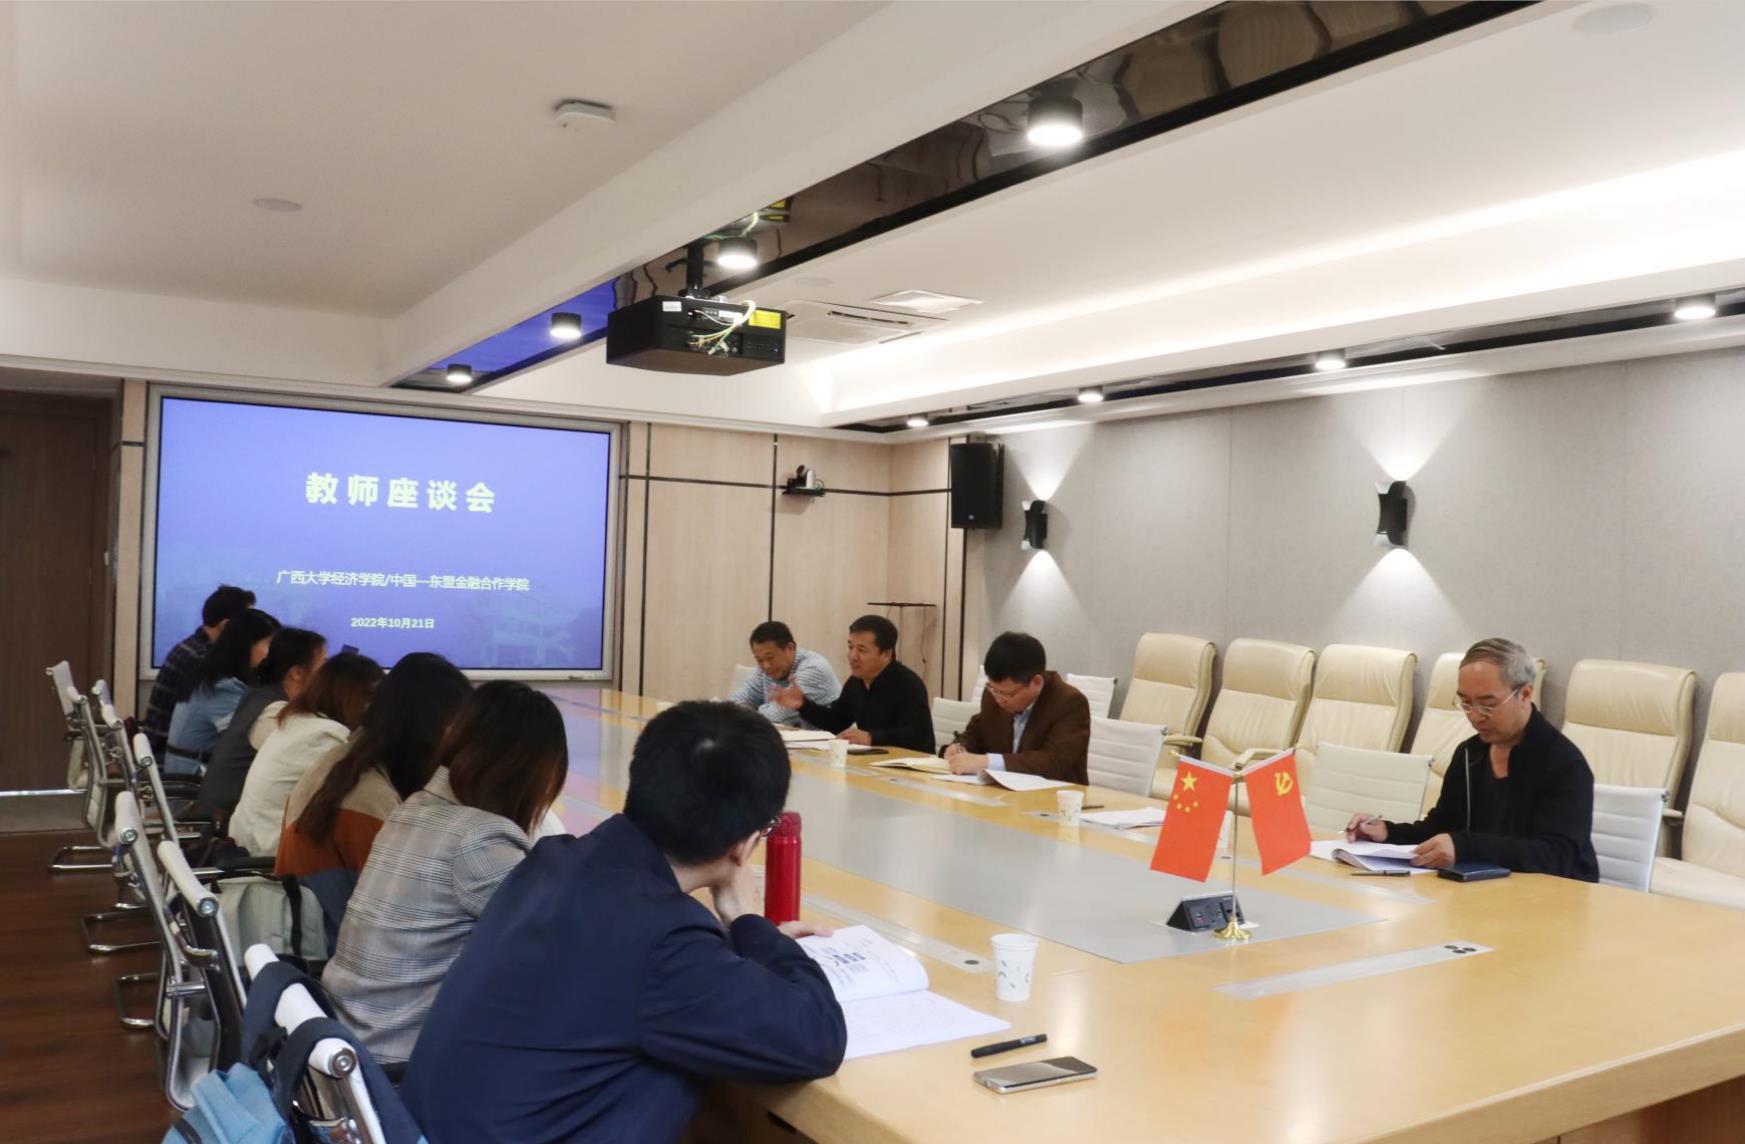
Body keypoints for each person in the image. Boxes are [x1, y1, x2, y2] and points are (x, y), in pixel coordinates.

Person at [402, 702, 846, 1143]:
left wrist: (746, 946)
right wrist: (748, 919)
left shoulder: (553, 861)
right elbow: (815, 1036)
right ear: (745, 845)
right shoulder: (662, 939)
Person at [323, 681, 569, 1065]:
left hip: (350, 1041)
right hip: (399, 1065)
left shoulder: (411, 809)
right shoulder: (479, 837)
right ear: (529, 773)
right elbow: (564, 940)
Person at [1346, 638, 1598, 881]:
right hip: (1483, 889)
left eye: (1488, 705)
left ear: (1525, 694)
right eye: (1466, 703)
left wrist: (1466, 846)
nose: (1475, 717)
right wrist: (1387, 832)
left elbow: (1557, 855)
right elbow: (1441, 827)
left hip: (1551, 897)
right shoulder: (1470, 754)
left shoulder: (1563, 763)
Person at [276, 652, 473, 934]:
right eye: (452, 727)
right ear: (427, 729)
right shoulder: (368, 797)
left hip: (319, 930)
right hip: (337, 941)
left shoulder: (344, 764)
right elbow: (405, 910)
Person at [229, 652, 383, 856]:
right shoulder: (327, 735)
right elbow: (354, 798)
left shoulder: (297, 721)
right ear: (353, 696)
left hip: (248, 843)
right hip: (270, 857)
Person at [196, 627, 326, 823]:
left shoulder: (260, 693)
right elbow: (303, 762)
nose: (327, 674)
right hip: (226, 819)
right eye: (323, 665)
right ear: (297, 672)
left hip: (234, 812)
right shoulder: (272, 712)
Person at [944, 632, 1091, 784]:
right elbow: (977, 731)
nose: (998, 699)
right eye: (993, 689)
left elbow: (1054, 761)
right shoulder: (993, 694)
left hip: (1054, 794)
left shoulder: (1070, 703)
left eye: (1007, 694)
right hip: (1001, 791)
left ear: (1036, 683)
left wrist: (987, 762)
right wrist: (961, 747)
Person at [775, 614, 933, 752]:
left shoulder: (908, 684)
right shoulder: (856, 682)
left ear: (886, 654)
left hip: (912, 766)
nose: (853, 656)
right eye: (850, 647)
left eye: (861, 650)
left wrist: (871, 738)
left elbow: (917, 737)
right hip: (873, 762)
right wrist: (803, 704)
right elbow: (836, 721)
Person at [163, 607, 279, 776]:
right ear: (247, 645)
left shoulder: (212, 675)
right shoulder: (221, 688)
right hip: (194, 777)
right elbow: (246, 739)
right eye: (269, 644)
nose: (273, 654)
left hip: (196, 770)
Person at [141, 584, 254, 756]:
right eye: (248, 625)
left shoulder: (193, 647)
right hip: (171, 755)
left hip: (169, 748)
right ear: (226, 626)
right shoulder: (200, 660)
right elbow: (237, 723)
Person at [729, 620, 840, 727]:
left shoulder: (813, 668)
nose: (766, 665)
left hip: (829, 739)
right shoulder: (764, 669)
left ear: (790, 648)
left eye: (770, 657)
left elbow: (777, 716)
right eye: (759, 660)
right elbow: (734, 703)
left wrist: (749, 712)